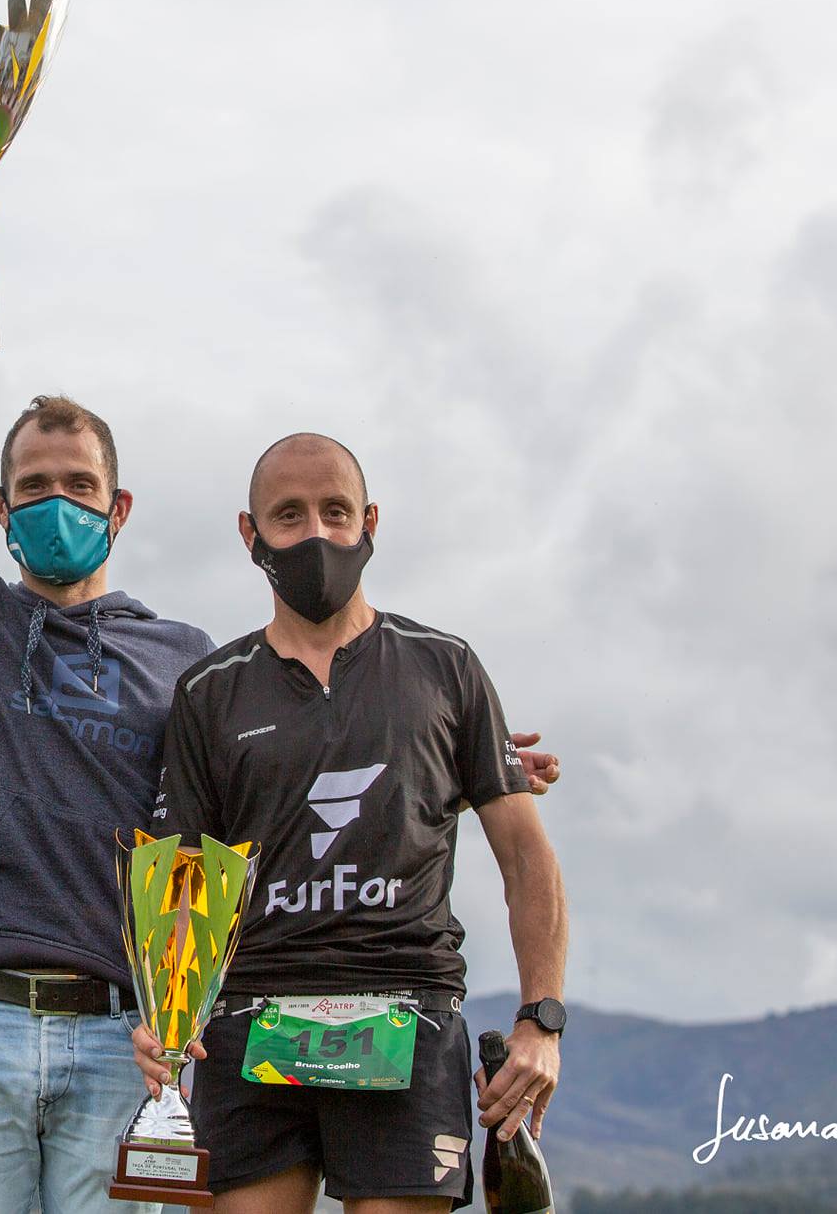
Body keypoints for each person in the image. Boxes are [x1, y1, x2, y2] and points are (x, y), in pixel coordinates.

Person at [0, 201, 562, 1214]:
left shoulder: (189, 665)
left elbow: (274, 775)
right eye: (33, 486)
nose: (57, 501)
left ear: (119, 507)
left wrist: (461, 754)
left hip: (131, 1033)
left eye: (80, 484)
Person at [134, 432, 571, 1214]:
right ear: (250, 533)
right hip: (253, 1021)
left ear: (369, 521)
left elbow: (526, 859)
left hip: (407, 1016)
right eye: (289, 514)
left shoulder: (447, 667)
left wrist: (542, 1019)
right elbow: (181, 882)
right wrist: (165, 1019)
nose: (316, 533)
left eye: (335, 511)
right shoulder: (209, 691)